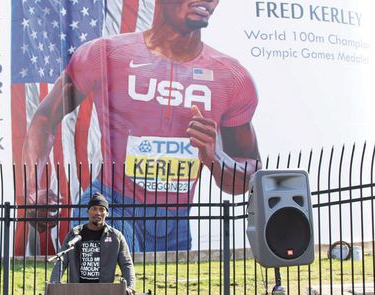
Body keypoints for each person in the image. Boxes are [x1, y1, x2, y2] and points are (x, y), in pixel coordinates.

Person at [23, 0, 261, 251]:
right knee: (103, 277)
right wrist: (31, 191)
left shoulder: (232, 77)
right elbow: (44, 119)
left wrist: (215, 158)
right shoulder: (105, 54)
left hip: (175, 226)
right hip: (109, 206)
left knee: (165, 290)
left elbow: (251, 174)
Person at [50, 192, 136, 295]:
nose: (98, 212)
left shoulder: (116, 237)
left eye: (101, 209)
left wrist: (130, 287)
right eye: (94, 208)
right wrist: (54, 283)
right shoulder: (74, 234)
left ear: (107, 213)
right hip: (77, 292)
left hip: (104, 293)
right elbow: (61, 261)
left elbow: (126, 264)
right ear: (88, 212)